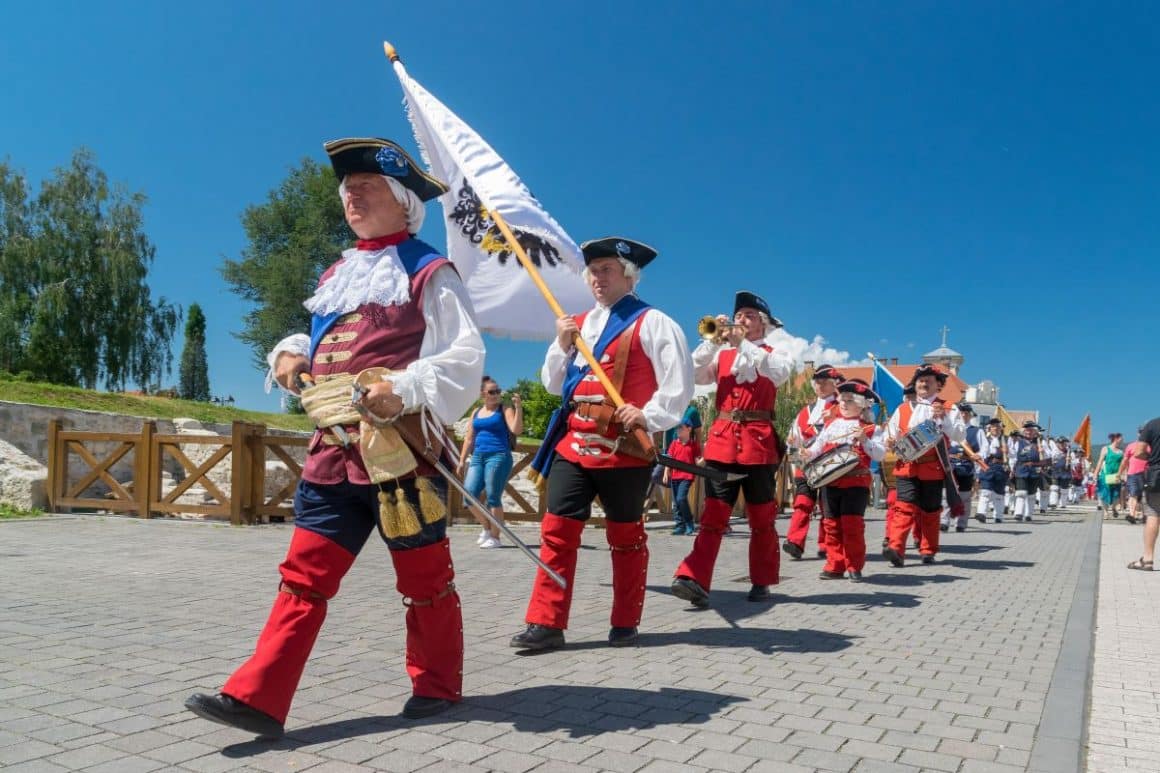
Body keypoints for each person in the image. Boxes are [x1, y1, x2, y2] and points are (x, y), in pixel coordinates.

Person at [184, 138, 484, 734]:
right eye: (347, 188)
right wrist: (291, 354)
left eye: (366, 186)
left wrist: (404, 386)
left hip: (400, 457)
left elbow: (465, 358)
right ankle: (259, 698)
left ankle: (439, 685)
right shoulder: (338, 272)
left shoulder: (430, 271)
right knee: (303, 576)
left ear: (402, 201)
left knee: (425, 583)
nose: (351, 194)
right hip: (331, 455)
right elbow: (316, 334)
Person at [510, 237, 694, 651]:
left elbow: (678, 388)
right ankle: (546, 622)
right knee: (556, 532)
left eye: (607, 269)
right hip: (572, 445)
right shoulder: (575, 324)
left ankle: (625, 621)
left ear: (628, 275)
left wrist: (648, 414)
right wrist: (560, 345)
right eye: (592, 270)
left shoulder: (654, 322)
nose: (597, 277)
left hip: (623, 449)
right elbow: (554, 384)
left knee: (625, 537)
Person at [670, 291, 792, 608]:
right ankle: (693, 577)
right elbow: (692, 373)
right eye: (739, 315)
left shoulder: (774, 354)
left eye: (749, 315)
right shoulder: (722, 357)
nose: (741, 319)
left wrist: (742, 344)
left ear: (763, 324)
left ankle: (762, 579)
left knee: (761, 518)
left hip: (759, 444)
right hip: (723, 442)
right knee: (713, 515)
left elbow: (777, 374)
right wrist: (713, 341)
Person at [797, 379, 885, 581]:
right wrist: (805, 452)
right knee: (831, 525)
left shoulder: (871, 428)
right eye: (842, 400)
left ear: (861, 404)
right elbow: (817, 449)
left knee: (852, 526)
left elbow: (879, 455)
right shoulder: (830, 425)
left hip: (856, 484)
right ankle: (835, 565)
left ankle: (854, 565)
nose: (844, 404)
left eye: (849, 400)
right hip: (830, 482)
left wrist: (864, 440)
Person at [882, 364, 966, 566]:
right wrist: (890, 441)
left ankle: (928, 550)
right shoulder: (902, 409)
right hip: (906, 465)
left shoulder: (948, 407)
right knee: (903, 507)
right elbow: (889, 435)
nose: (923, 383)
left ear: (938, 385)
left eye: (928, 380)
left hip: (932, 467)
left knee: (930, 510)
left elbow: (959, 435)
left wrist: (943, 418)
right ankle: (896, 549)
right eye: (920, 380)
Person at [784, 365, 844, 560]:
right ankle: (794, 542)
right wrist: (793, 449)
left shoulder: (842, 408)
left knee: (827, 507)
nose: (821, 386)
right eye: (818, 382)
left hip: (831, 464)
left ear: (834, 384)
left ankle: (826, 544)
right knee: (802, 503)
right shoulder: (805, 411)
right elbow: (793, 439)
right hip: (807, 466)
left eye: (825, 382)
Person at [457, 376, 522, 548]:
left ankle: (495, 537)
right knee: (468, 496)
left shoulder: (504, 408)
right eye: (492, 392)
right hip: (478, 457)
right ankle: (487, 527)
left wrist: (518, 408)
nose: (496, 395)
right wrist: (462, 460)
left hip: (499, 456)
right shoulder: (476, 412)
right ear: (482, 394)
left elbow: (516, 429)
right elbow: (469, 438)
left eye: (498, 391)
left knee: (493, 496)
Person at [942, 404, 981, 532]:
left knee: (965, 496)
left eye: (966, 412)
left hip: (966, 466)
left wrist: (977, 455)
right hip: (950, 466)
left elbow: (984, 449)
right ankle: (944, 521)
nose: (963, 415)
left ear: (970, 415)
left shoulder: (977, 431)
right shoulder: (948, 428)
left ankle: (961, 523)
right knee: (947, 494)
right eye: (961, 412)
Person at [1127, 417, 1160, 570]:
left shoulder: (1152, 424)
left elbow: (1139, 452)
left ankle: (1147, 560)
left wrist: (1152, 458)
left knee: (1153, 514)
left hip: (1156, 475)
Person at [664, 420, 701, 535]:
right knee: (676, 502)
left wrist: (705, 458)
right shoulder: (674, 444)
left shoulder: (694, 445)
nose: (678, 430)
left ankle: (689, 522)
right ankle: (680, 525)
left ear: (689, 429)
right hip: (675, 476)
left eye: (681, 427)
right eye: (677, 428)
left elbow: (697, 463)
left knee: (681, 498)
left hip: (687, 476)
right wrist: (666, 472)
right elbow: (669, 459)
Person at [1010, 421, 1049, 521]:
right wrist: (1011, 468)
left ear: (1035, 432)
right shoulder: (1018, 441)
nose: (1028, 432)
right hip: (1022, 469)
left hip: (1035, 469)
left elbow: (1049, 455)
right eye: (1027, 430)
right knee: (1021, 492)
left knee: (1031, 494)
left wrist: (1043, 452)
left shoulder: (1041, 442)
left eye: (1031, 430)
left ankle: (1028, 514)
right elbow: (1013, 456)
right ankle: (1018, 513)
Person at [974, 418, 1009, 523]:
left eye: (997, 426)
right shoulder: (984, 439)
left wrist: (1007, 452)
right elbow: (979, 455)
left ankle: (998, 516)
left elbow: (1014, 455)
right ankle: (981, 513)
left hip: (1001, 468)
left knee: (999, 494)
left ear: (1001, 428)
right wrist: (977, 471)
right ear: (990, 428)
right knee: (985, 491)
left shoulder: (1007, 440)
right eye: (993, 426)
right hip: (987, 466)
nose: (995, 428)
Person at [1122, 431, 1151, 524]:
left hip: (1146, 473)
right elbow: (1125, 460)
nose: (1142, 434)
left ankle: (1144, 515)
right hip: (1132, 473)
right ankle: (1132, 515)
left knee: (1144, 496)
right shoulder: (1130, 446)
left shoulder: (1150, 446)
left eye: (1143, 432)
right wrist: (1123, 473)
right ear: (1137, 434)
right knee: (1133, 494)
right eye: (1140, 432)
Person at [1095, 433, 1126, 517]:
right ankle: (1105, 511)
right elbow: (1100, 461)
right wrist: (1095, 473)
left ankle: (1113, 508)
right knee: (1105, 493)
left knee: (1116, 493)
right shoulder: (1105, 449)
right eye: (1121, 438)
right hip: (1105, 474)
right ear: (1116, 439)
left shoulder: (1121, 451)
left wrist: (1124, 474)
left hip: (1116, 475)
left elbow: (1123, 464)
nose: (1122, 440)